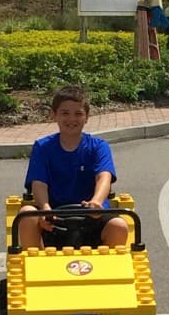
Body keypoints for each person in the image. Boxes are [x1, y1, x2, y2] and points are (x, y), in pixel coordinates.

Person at [17, 86, 129, 249]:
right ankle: (35, 262)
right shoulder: (43, 147)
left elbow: (104, 176)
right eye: (65, 113)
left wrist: (96, 202)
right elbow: (39, 183)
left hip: (91, 217)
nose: (71, 119)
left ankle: (107, 264)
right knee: (26, 214)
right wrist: (45, 209)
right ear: (54, 115)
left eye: (78, 114)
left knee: (119, 226)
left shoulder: (98, 146)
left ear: (86, 117)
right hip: (54, 217)